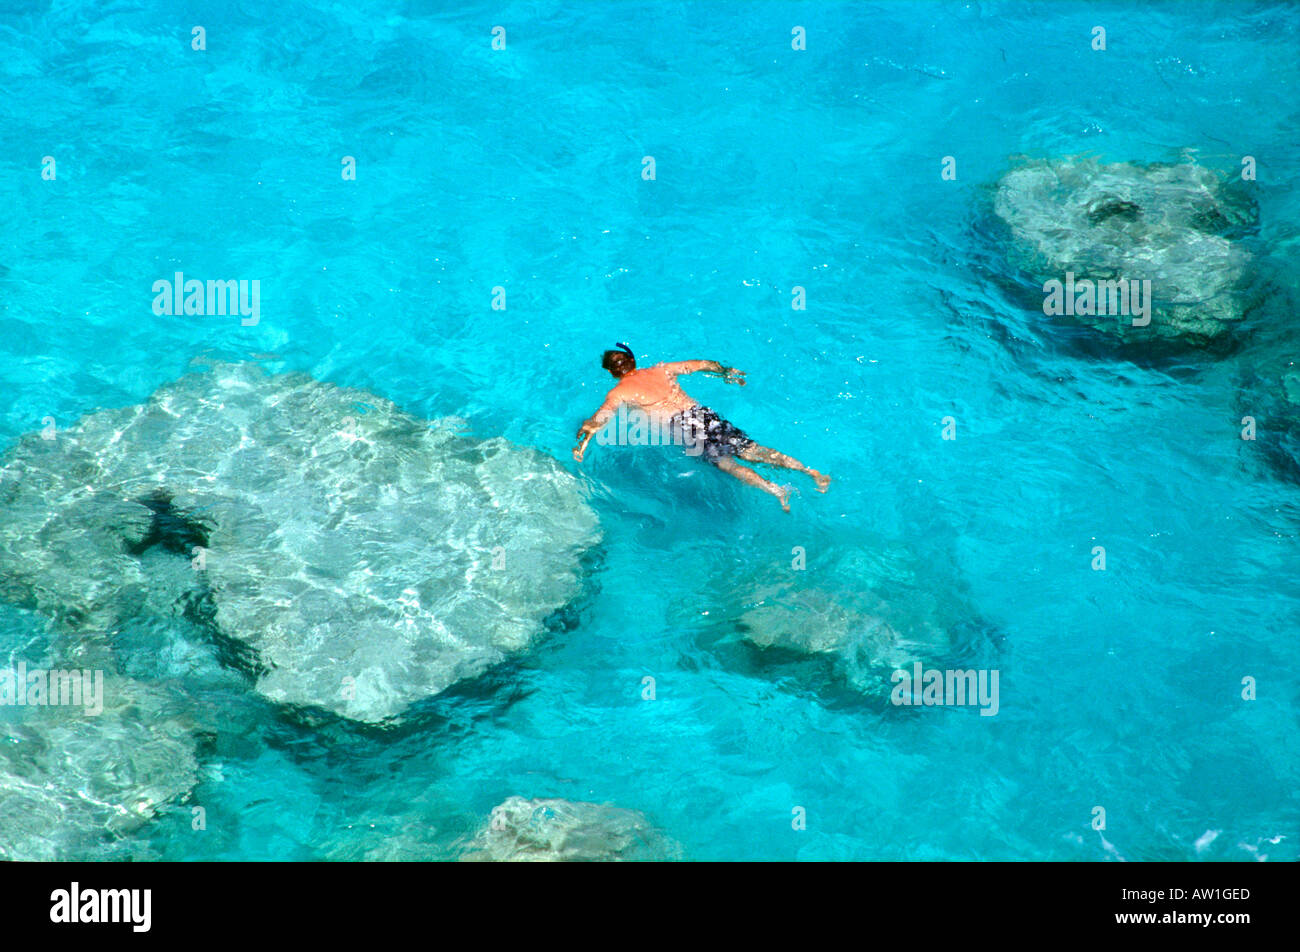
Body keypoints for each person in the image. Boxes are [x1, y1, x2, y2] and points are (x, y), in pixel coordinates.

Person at [573, 343, 830, 511]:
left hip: (682, 427)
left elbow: (599, 419)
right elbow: (701, 364)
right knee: (751, 449)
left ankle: (776, 491)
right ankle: (810, 472)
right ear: (632, 360)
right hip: (701, 414)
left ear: (611, 372)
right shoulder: (661, 370)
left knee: (726, 464)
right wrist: (726, 372)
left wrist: (583, 441)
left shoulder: (618, 392)